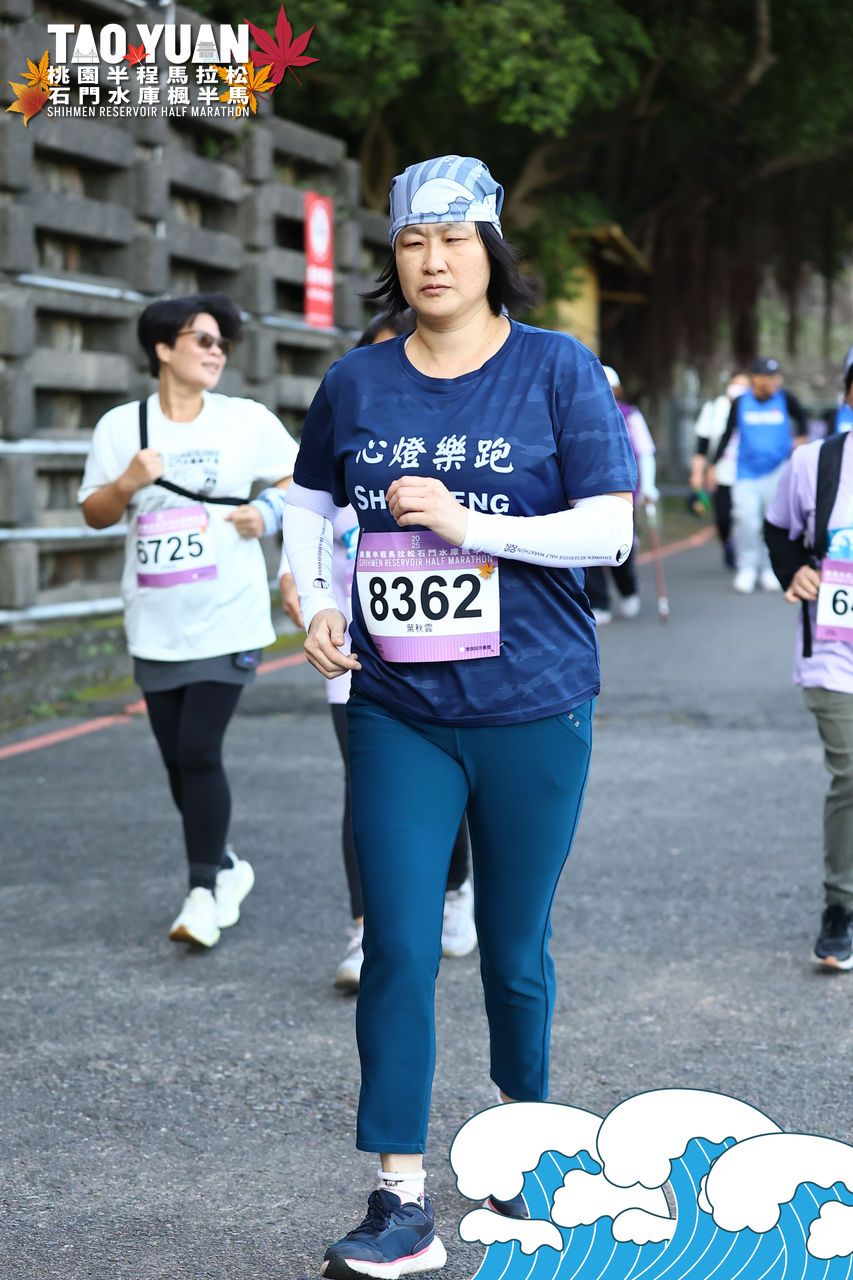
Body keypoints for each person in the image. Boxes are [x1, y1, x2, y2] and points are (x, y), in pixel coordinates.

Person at [282, 154, 637, 1279]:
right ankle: (401, 1199)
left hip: (533, 703)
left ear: (489, 249)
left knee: (513, 952)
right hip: (398, 705)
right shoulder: (356, 381)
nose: (432, 260)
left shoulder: (555, 367)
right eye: (411, 241)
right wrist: (312, 598)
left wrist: (474, 526)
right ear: (394, 257)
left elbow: (611, 529)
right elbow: (306, 504)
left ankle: (525, 1157)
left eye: (453, 238)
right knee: (397, 941)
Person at [78, 293, 297, 948]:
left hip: (229, 614)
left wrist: (268, 514)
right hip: (155, 619)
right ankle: (225, 865)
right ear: (162, 348)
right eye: (203, 339)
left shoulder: (245, 420)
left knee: (199, 749)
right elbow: (94, 513)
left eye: (222, 342)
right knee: (178, 759)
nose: (216, 351)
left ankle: (201, 891)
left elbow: (302, 481)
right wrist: (127, 482)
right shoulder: (122, 426)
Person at [278, 311, 476, 992]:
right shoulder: (344, 446)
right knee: (364, 788)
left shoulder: (467, 448)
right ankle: (366, 931)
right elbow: (303, 519)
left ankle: (455, 890)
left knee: (449, 780)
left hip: (455, 647)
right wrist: (305, 592)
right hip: (360, 654)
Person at [765, 358, 853, 970]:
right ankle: (842, 905)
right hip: (835, 654)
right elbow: (779, 532)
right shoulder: (814, 465)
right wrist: (793, 568)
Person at [711, 356, 807, 593]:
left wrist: (802, 437)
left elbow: (802, 417)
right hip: (746, 472)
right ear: (755, 378)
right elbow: (727, 433)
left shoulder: (785, 398)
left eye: (776, 376)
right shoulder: (741, 402)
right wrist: (713, 464)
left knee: (771, 521)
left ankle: (768, 567)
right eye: (767, 376)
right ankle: (747, 567)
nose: (773, 381)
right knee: (746, 519)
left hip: (778, 471)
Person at [584, 365, 658, 623]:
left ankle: (628, 589)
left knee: (620, 545)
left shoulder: (630, 416)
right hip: (586, 492)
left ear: (616, 390)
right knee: (588, 548)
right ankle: (598, 601)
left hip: (623, 493)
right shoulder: (576, 414)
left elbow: (645, 452)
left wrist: (649, 486)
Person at [689, 372, 749, 569]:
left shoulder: (752, 408)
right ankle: (728, 545)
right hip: (720, 474)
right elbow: (702, 446)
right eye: (736, 384)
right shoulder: (714, 408)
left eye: (744, 385)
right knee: (723, 517)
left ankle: (746, 556)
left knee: (746, 517)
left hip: (747, 475)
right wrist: (698, 472)